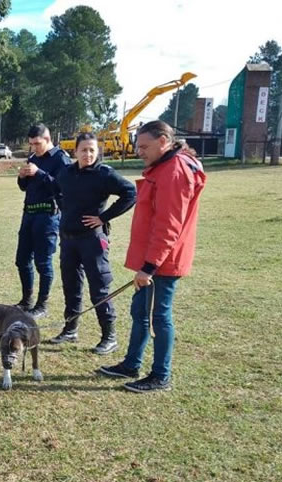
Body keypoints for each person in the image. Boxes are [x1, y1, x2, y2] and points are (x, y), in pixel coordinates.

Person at [98, 120, 206, 393]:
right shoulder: (165, 167)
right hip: (153, 260)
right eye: (138, 146)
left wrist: (149, 267)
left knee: (159, 316)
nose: (139, 151)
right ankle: (131, 363)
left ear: (163, 142)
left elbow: (169, 225)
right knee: (140, 312)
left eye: (145, 146)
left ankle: (160, 374)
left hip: (162, 263)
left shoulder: (174, 171)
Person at [49, 133, 136, 355]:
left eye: (92, 150)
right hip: (68, 241)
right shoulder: (66, 173)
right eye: (83, 150)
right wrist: (63, 208)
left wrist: (104, 217)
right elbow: (56, 189)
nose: (87, 154)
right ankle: (70, 329)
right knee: (71, 287)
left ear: (97, 152)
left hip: (92, 241)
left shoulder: (104, 174)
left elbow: (130, 193)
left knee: (99, 288)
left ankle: (109, 336)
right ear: (75, 151)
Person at [15, 124, 69, 319]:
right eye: (31, 144)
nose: (34, 148)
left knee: (43, 262)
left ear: (48, 139)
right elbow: (25, 187)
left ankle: (41, 304)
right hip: (28, 214)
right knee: (22, 260)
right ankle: (26, 301)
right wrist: (22, 177)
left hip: (48, 216)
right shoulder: (33, 158)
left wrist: (39, 173)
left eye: (37, 144)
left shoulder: (60, 158)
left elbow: (63, 187)